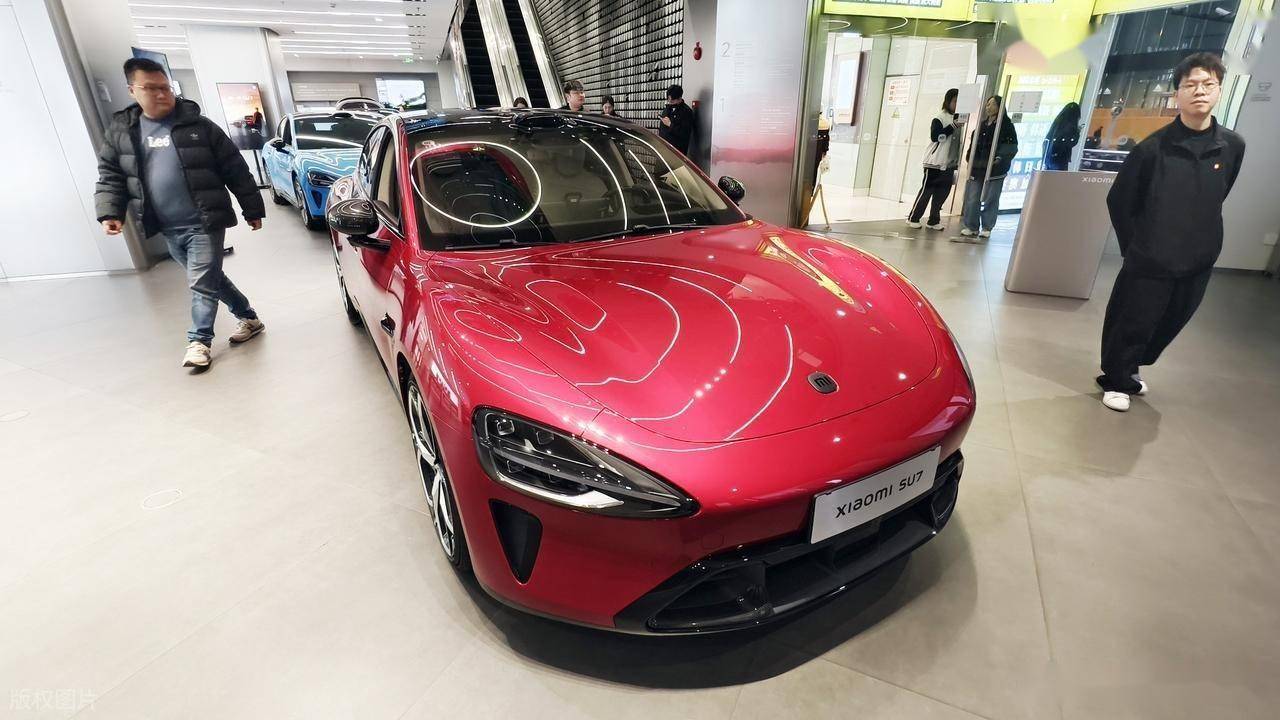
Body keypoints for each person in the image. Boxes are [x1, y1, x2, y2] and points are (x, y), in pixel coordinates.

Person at [94, 57, 266, 370]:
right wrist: (110, 212)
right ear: (132, 90)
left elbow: (235, 168)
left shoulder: (199, 126)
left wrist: (252, 208)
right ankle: (249, 318)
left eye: (166, 87)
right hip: (166, 225)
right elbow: (111, 175)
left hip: (205, 219)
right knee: (211, 278)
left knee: (201, 282)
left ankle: (199, 341)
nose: (162, 94)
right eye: (151, 88)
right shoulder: (123, 131)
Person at [1096, 52, 1245, 412]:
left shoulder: (1232, 146)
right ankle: (1116, 378)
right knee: (1133, 319)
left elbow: (1221, 193)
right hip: (1151, 257)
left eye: (1208, 84)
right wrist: (1136, 248)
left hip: (1198, 256)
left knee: (1171, 320)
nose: (1199, 91)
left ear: (1219, 90)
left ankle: (1129, 368)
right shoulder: (1151, 149)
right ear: (1177, 93)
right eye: (1190, 85)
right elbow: (1121, 201)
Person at [957, 95, 1018, 240]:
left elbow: (1011, 147)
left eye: (992, 104)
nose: (988, 107)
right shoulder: (982, 125)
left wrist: (999, 158)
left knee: (991, 198)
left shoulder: (1007, 126)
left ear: (999, 107)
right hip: (977, 168)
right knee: (972, 198)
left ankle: (986, 227)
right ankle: (971, 226)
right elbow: (973, 145)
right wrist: (969, 158)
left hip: (995, 170)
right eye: (987, 104)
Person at [907, 88, 963, 231]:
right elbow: (936, 136)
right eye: (955, 101)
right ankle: (913, 218)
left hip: (950, 164)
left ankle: (933, 220)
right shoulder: (940, 117)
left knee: (942, 194)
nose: (957, 104)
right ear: (948, 101)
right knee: (926, 192)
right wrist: (953, 126)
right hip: (934, 162)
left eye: (959, 101)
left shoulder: (961, 119)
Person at [1042, 102, 1081, 171]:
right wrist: (1077, 132)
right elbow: (1071, 143)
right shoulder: (1070, 127)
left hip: (1049, 158)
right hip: (1060, 160)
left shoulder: (1058, 122)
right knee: (1059, 177)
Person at [658, 84, 695, 156]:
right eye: (668, 100)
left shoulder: (686, 112)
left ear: (679, 98)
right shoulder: (667, 109)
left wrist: (670, 124)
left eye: (672, 101)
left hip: (677, 154)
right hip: (663, 151)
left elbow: (685, 133)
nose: (670, 102)